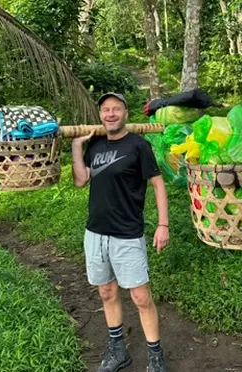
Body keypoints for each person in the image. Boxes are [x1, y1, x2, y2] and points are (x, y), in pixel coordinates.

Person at [72, 92, 170, 372]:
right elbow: (81, 181)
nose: (110, 114)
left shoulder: (139, 146)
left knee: (141, 296)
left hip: (127, 233)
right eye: (105, 110)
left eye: (116, 109)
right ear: (101, 114)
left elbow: (158, 185)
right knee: (106, 291)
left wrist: (163, 225)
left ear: (126, 113)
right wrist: (77, 147)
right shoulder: (95, 145)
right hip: (96, 233)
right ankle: (118, 351)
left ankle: (155, 356)